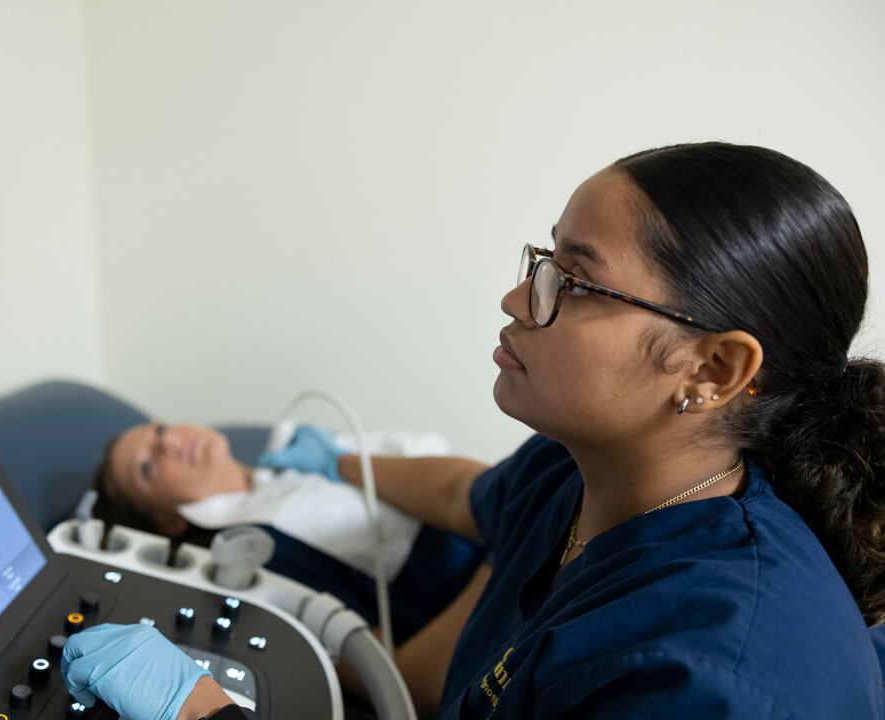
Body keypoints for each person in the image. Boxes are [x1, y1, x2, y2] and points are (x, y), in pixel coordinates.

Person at [61, 142, 885, 720]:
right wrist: (340, 460)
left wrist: (200, 710)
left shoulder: (709, 678)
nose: (518, 300)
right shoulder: (582, 475)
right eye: (542, 262)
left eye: (576, 282)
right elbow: (463, 494)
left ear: (710, 370)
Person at [91, 421, 492, 714]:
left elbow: (476, 493)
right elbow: (403, 682)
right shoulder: (252, 564)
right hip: (498, 622)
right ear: (168, 523)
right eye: (147, 467)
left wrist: (339, 462)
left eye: (159, 430)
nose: (168, 444)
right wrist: (506, 559)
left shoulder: (299, 454)